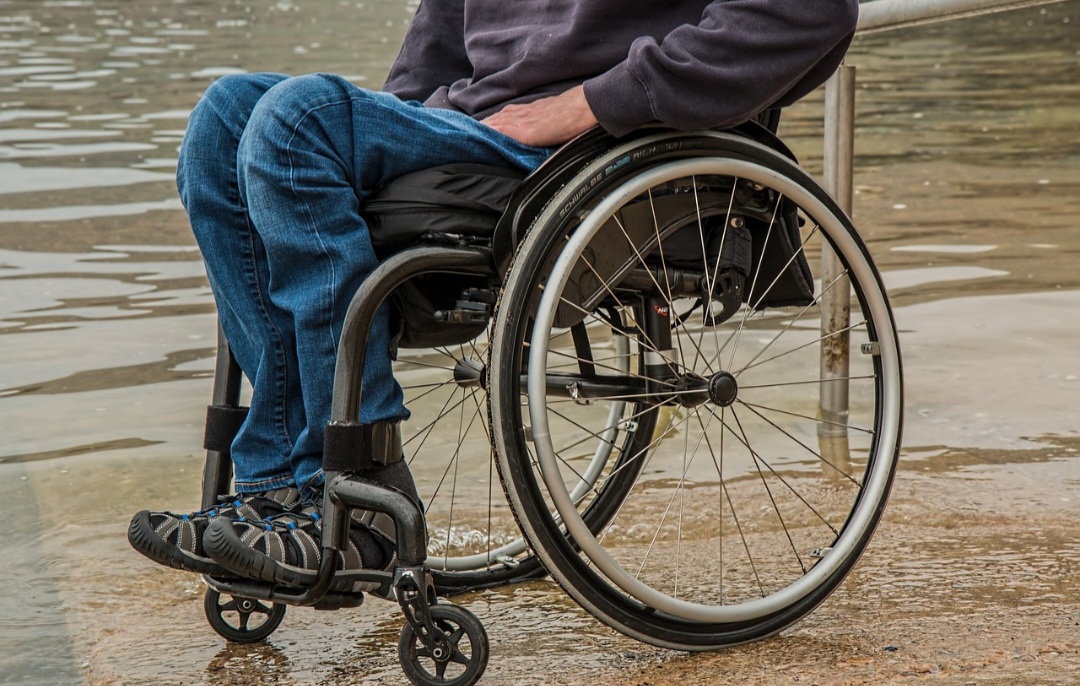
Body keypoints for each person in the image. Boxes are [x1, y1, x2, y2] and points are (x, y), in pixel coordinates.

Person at [128, 0, 861, 589]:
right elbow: (434, 50)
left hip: (583, 145)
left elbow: (810, 13)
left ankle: (360, 490)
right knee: (227, 115)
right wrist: (378, 141)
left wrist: (590, 102)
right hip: (474, 130)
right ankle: (275, 494)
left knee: (296, 118)